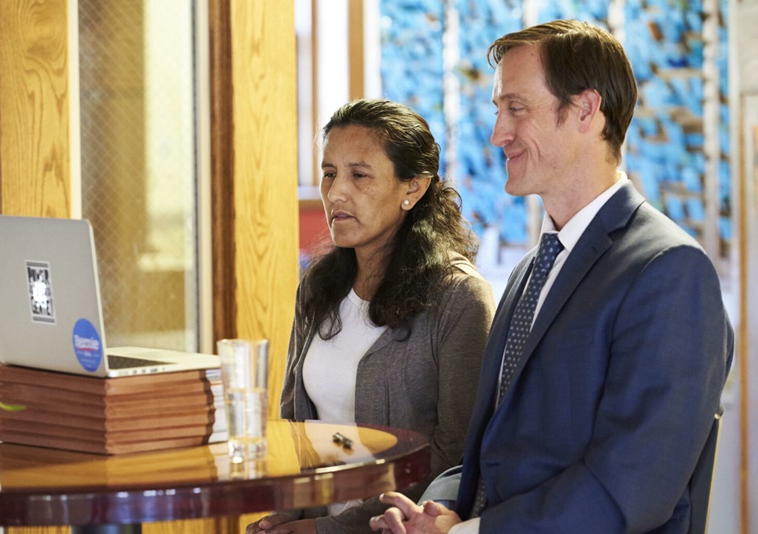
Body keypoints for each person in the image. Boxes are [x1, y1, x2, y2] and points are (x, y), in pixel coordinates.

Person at [369, 19, 734, 534]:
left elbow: (629, 489)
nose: (498, 134)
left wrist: (467, 533)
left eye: (517, 108)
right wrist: (438, 510)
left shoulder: (669, 269)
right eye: (498, 110)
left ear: (585, 109)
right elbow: (493, 453)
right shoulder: (530, 270)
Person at [248, 98, 497, 534]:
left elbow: (454, 456)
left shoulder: (459, 298)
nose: (335, 193)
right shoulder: (318, 286)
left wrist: (329, 530)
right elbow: (295, 426)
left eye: (359, 175)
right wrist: (289, 515)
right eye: (329, 173)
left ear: (412, 188)